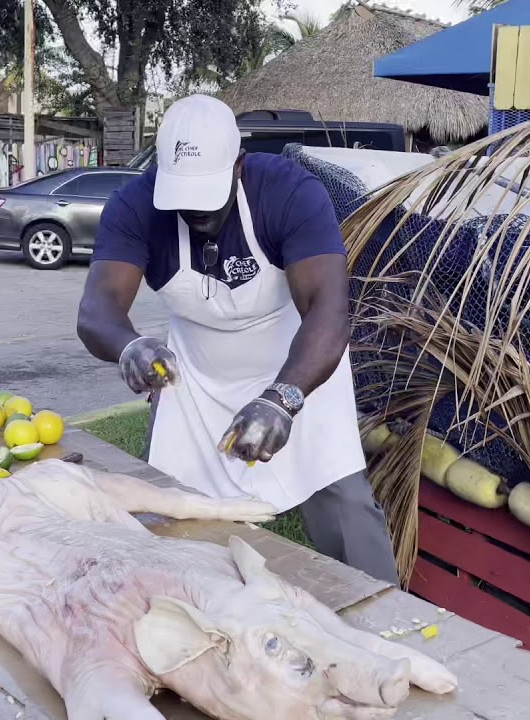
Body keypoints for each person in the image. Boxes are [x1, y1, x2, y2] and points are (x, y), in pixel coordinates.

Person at [75, 95, 399, 584]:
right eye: (182, 196)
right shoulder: (135, 205)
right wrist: (129, 346)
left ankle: (383, 619)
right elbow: (97, 309)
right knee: (174, 513)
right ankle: (193, 611)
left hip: (298, 365)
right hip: (196, 376)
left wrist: (284, 399)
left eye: (207, 193)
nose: (194, 211)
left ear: (239, 165)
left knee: (343, 504)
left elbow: (329, 315)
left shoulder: (290, 193)